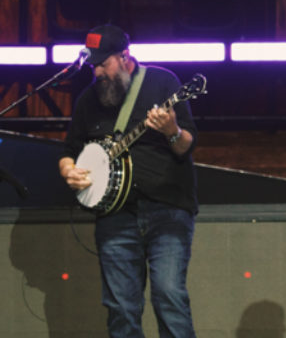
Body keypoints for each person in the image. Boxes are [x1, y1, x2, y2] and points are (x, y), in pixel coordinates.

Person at [59, 25, 199, 338]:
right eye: (93, 65)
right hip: (114, 216)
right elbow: (69, 151)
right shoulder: (88, 100)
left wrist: (171, 130)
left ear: (124, 57)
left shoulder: (163, 82)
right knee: (121, 308)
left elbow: (185, 146)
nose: (97, 72)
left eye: (103, 63)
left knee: (169, 297)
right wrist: (69, 170)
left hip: (167, 209)